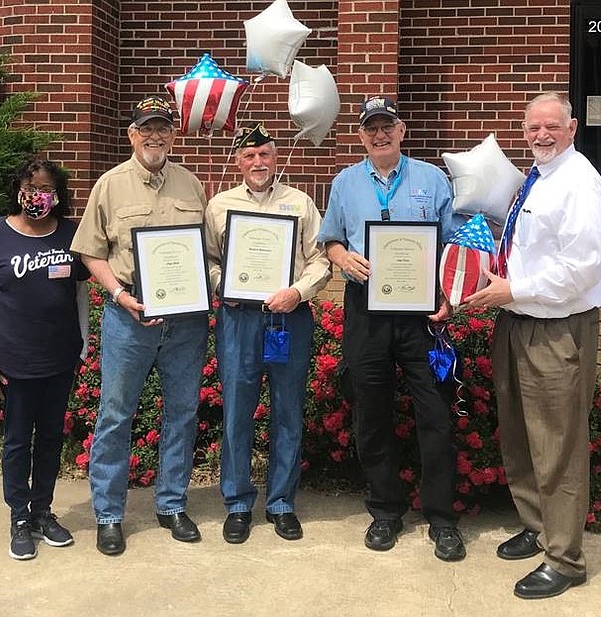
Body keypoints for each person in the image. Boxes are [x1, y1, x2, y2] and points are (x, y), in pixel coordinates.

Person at [465, 92, 601, 599]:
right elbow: (532, 251)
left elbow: (583, 268)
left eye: (552, 126)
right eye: (533, 127)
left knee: (558, 445)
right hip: (517, 319)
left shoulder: (579, 182)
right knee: (522, 436)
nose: (542, 135)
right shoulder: (538, 179)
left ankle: (566, 558)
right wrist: (500, 282)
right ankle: (537, 525)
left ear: (572, 128)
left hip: (556, 328)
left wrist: (516, 289)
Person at [318, 96, 467, 561]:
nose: (379, 135)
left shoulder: (432, 179)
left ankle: (441, 518)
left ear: (401, 130)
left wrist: (448, 296)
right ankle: (385, 511)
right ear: (360, 136)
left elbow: (455, 242)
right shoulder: (345, 182)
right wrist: (341, 256)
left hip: (421, 312)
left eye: (387, 126)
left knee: (435, 414)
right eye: (370, 129)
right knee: (371, 411)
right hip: (366, 308)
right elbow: (331, 240)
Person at [71, 95, 208, 555]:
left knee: (183, 412)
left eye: (163, 128)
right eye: (146, 128)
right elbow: (90, 251)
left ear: (173, 135)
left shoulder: (192, 185)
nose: (155, 136)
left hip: (185, 320)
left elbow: (205, 254)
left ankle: (171, 504)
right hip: (129, 315)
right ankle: (109, 513)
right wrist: (118, 294)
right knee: (115, 414)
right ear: (132, 134)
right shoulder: (109, 186)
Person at [204, 122, 331, 543]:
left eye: (265, 155)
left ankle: (281, 503)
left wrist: (298, 291)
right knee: (238, 409)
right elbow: (207, 261)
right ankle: (238, 503)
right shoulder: (219, 205)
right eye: (249, 156)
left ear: (275, 159)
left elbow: (321, 259)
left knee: (287, 409)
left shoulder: (300, 202)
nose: (257, 163)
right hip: (239, 319)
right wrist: (225, 286)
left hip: (288, 317)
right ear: (238, 161)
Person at [0, 158, 89, 560]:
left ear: (57, 195)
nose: (37, 196)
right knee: (18, 441)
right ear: (18, 191)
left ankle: (43, 511)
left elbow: (79, 296)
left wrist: (84, 344)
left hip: (59, 358)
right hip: (13, 363)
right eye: (29, 188)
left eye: (45, 189)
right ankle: (19, 517)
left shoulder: (71, 235)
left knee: (52, 438)